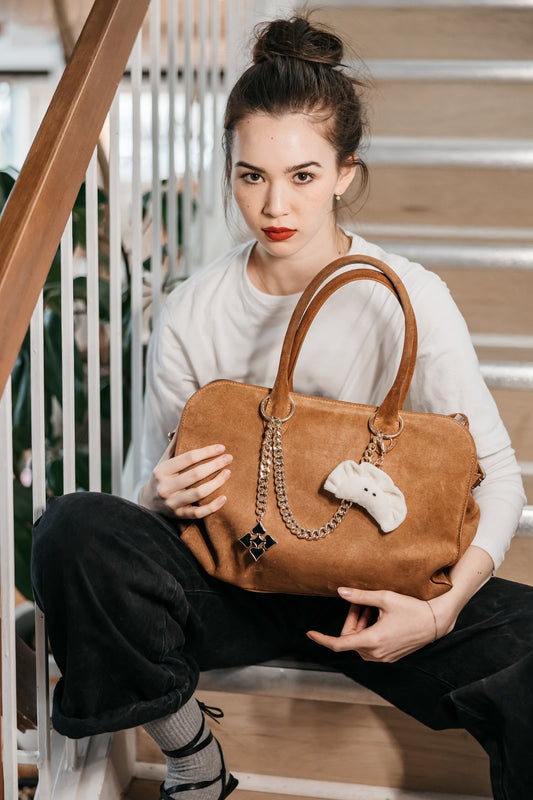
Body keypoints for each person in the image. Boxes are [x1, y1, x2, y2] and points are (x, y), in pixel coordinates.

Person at [31, 15, 532, 800]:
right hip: (232, 583)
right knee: (72, 528)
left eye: (301, 175)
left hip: (379, 589)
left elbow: (498, 477)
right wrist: (154, 494)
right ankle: (193, 760)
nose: (273, 205)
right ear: (228, 170)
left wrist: (438, 615)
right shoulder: (192, 310)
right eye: (250, 175)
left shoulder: (409, 297)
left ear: (344, 173)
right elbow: (143, 502)